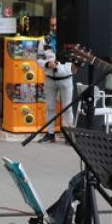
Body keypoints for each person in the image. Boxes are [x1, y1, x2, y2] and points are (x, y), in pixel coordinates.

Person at [36, 16, 74, 144]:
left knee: (67, 107)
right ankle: (50, 133)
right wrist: (47, 64)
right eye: (52, 25)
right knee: (50, 107)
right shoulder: (44, 41)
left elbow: (74, 59)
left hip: (66, 77)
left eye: (56, 25)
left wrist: (66, 68)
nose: (54, 28)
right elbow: (39, 58)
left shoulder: (69, 40)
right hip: (50, 78)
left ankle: (69, 135)